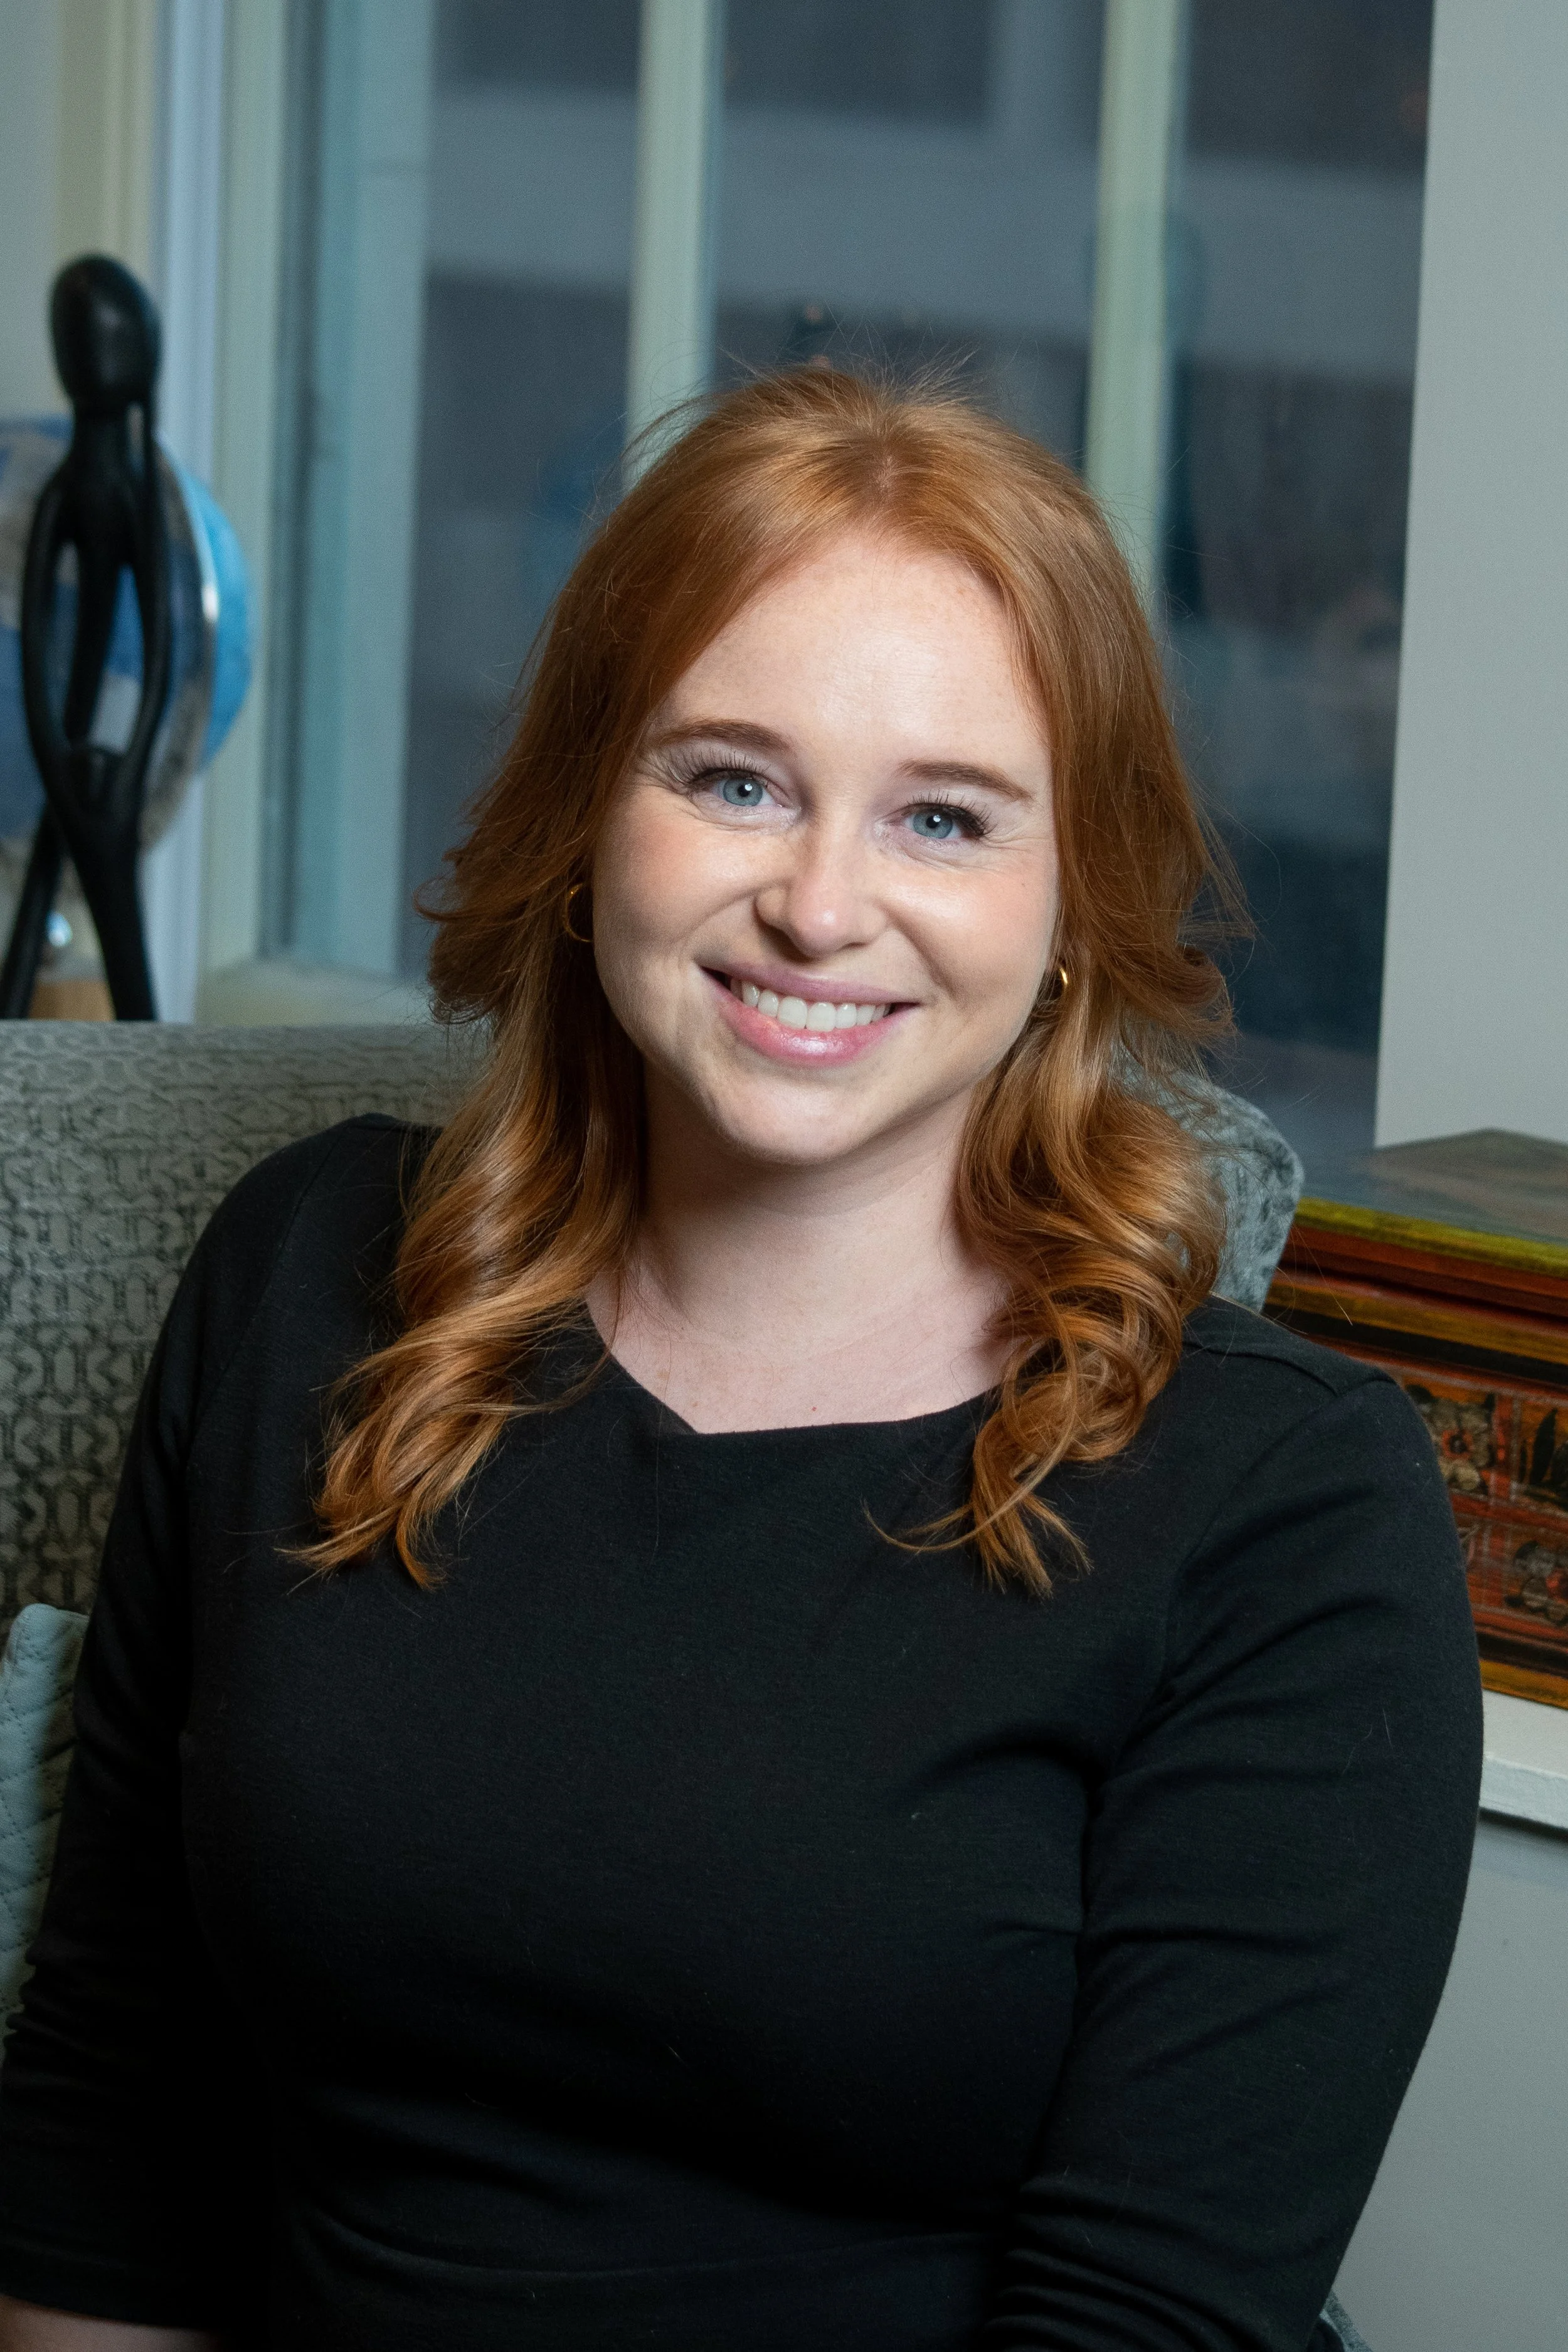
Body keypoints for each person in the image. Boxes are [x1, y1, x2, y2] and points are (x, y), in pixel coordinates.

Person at [0, 371, 1480, 2351]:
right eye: (732, 778)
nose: (818, 902)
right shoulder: (301, 1273)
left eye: (942, 816)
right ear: (584, 811)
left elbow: (1141, 2323)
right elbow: (117, 2111)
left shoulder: (1284, 1502)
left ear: (1063, 910)